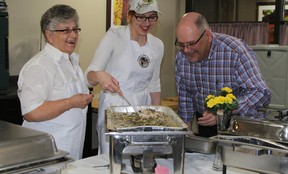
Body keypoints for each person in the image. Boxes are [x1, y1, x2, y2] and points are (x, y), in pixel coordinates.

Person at [85, 0, 164, 154]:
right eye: (141, 17)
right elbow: (89, 75)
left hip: (143, 109)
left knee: (140, 157)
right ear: (130, 16)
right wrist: (100, 76)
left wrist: (156, 120)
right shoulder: (115, 36)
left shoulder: (157, 45)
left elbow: (154, 84)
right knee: (114, 159)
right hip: (115, 106)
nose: (146, 23)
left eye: (152, 17)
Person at [175, 12, 271, 137]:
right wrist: (186, 136)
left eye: (191, 44)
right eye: (182, 45)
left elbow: (261, 93)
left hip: (238, 124)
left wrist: (224, 111)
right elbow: (185, 98)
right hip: (206, 123)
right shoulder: (181, 58)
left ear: (208, 36)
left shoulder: (235, 52)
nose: (186, 50)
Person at [17, 4, 94, 160]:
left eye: (75, 29)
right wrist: (70, 103)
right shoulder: (40, 66)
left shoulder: (71, 62)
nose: (73, 35)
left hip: (70, 150)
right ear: (49, 35)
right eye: (65, 30)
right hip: (46, 155)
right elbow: (32, 112)